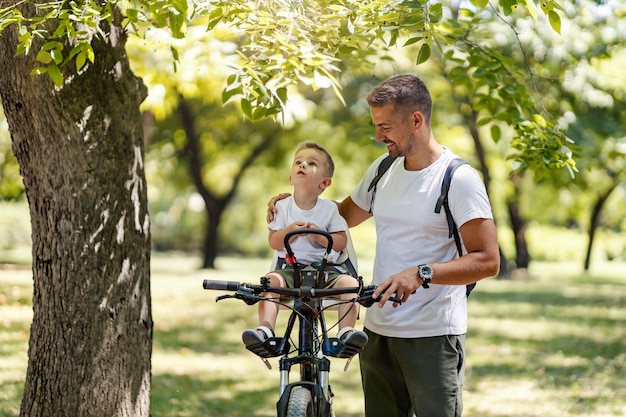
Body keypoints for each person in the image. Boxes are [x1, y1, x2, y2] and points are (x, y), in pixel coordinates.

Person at [268, 75, 500, 417]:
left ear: (416, 121)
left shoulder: (457, 179)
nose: (378, 136)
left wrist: (422, 274)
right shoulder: (383, 169)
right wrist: (292, 204)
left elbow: (487, 260)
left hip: (431, 336)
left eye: (385, 127)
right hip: (377, 331)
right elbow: (337, 219)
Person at [243, 141, 368, 356]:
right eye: (298, 162)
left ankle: (346, 332)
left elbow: (340, 242)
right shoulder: (282, 207)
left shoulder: (329, 210)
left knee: (349, 284)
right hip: (291, 269)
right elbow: (274, 242)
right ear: (291, 177)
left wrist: (319, 236)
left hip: (325, 270)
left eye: (311, 163)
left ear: (325, 182)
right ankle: (265, 330)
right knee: (270, 282)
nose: (302, 165)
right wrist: (289, 231)